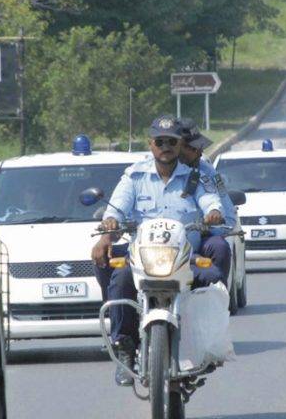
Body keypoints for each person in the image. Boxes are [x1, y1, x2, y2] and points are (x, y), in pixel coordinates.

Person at [90, 115, 224, 386]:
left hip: (184, 255)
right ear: (151, 144)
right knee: (122, 279)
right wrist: (110, 224)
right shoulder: (134, 176)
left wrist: (213, 212)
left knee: (212, 278)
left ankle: (204, 345)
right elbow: (116, 208)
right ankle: (124, 346)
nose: (166, 147)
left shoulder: (195, 177)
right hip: (143, 255)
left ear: (179, 145)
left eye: (172, 142)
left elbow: (211, 200)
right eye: (160, 141)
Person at [178, 117, 236, 287]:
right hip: (156, 244)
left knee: (219, 247)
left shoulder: (206, 172)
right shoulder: (144, 173)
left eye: (200, 148)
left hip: (197, 240)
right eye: (193, 148)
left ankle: (217, 299)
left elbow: (228, 217)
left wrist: (209, 223)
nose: (200, 153)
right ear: (176, 146)